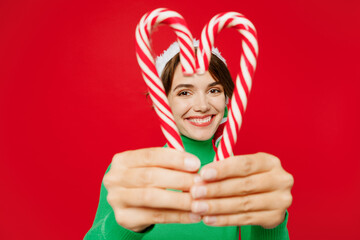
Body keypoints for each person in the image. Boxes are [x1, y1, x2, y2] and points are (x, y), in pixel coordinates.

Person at [84, 41, 294, 240]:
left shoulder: (240, 178)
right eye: (184, 92)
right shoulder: (133, 174)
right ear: (162, 103)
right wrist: (120, 226)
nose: (202, 105)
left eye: (214, 90)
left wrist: (272, 224)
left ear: (227, 101)